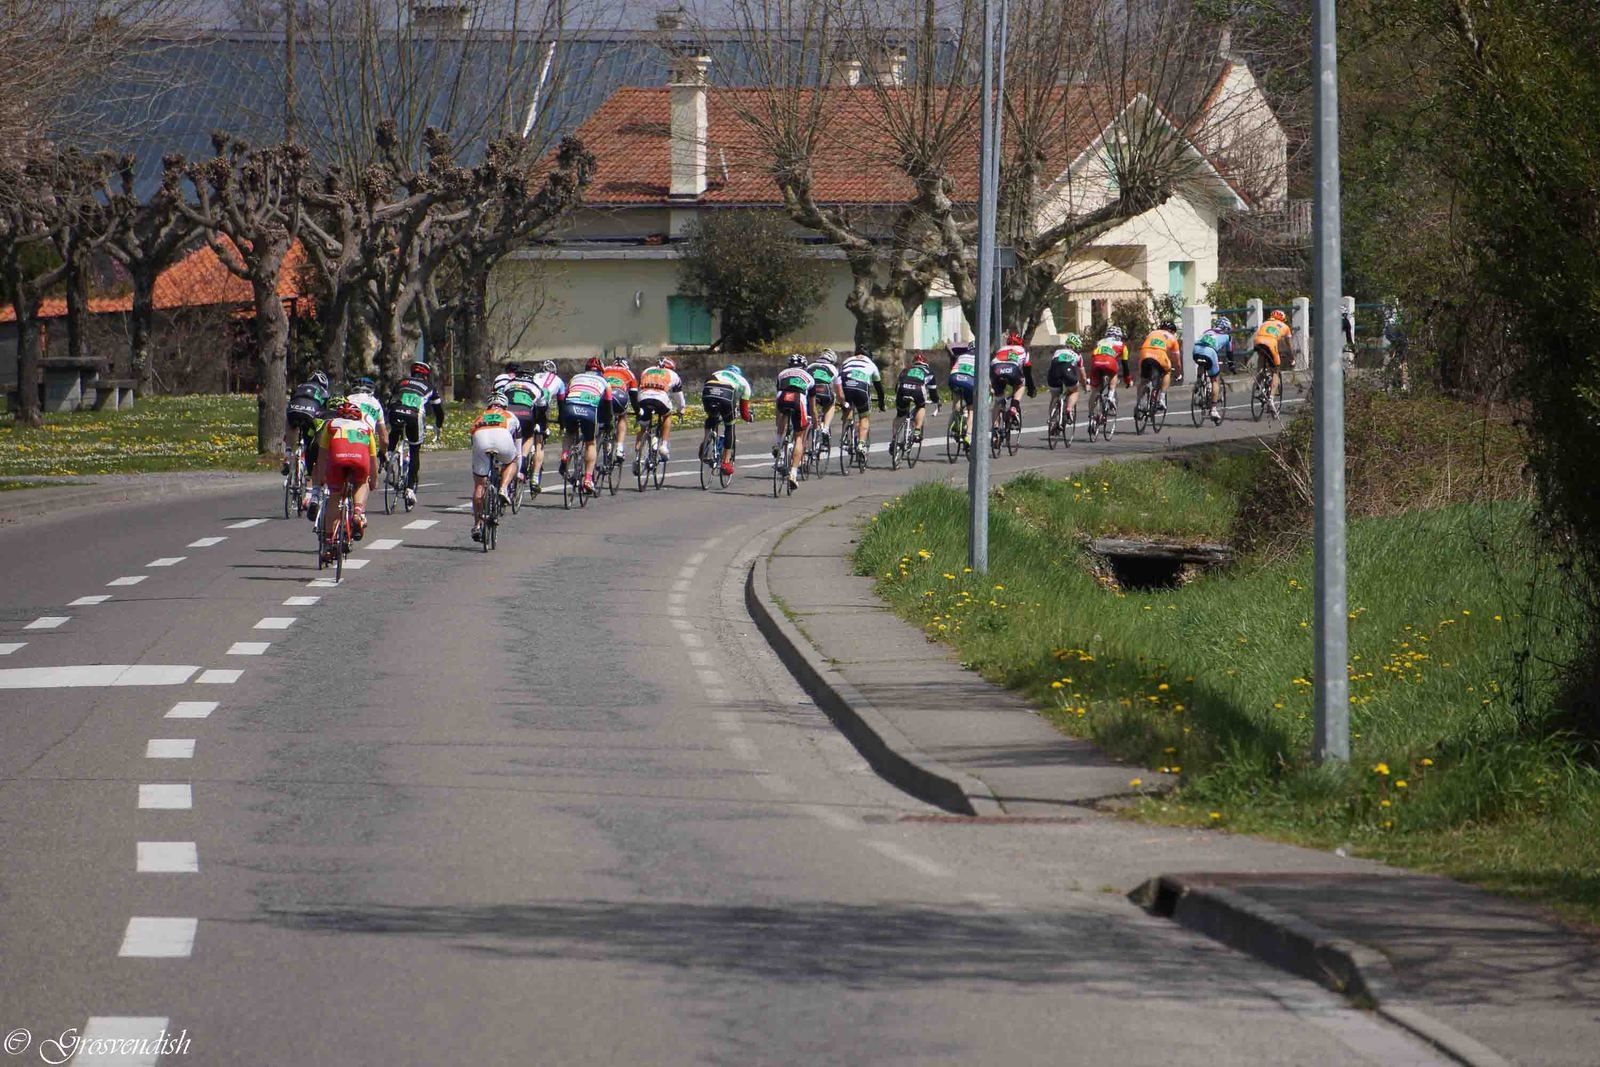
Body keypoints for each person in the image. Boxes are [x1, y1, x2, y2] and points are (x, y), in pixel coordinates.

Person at [313, 397, 379, 554]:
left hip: (337, 460)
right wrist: (373, 481)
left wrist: (321, 477)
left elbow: (322, 456)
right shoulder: (366, 428)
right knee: (362, 482)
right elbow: (373, 461)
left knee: (335, 496)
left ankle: (329, 541)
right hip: (360, 461)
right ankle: (357, 512)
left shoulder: (331, 425)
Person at [385, 362, 445, 507]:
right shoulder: (430, 387)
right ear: (426, 376)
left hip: (395, 411)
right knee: (414, 450)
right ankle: (410, 490)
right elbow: (439, 411)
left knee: (396, 430)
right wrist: (438, 426)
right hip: (414, 415)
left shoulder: (402, 382)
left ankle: (388, 455)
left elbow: (390, 400)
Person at [469, 391, 521, 543]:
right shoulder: (510, 415)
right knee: (512, 461)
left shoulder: (480, 416)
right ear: (505, 405)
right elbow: (518, 448)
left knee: (479, 485)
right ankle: (503, 488)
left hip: (481, 438)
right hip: (502, 437)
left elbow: (473, 442)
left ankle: (477, 525)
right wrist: (518, 469)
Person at [561, 357, 614, 494]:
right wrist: (608, 424)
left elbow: (565, 396)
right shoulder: (605, 382)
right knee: (591, 442)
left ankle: (565, 455)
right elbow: (608, 405)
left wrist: (562, 418)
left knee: (569, 433)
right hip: (588, 410)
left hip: (571, 406)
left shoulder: (575, 377)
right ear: (601, 370)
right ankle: (588, 479)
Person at [701, 363, 753, 476]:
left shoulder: (717, 373)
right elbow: (744, 413)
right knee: (730, 425)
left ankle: (705, 443)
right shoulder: (744, 383)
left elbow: (706, 385)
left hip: (709, 390)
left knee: (712, 416)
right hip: (726, 394)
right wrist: (749, 417)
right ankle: (726, 462)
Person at [634, 356, 686, 469]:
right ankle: (664, 446)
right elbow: (679, 397)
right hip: (660, 399)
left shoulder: (646, 371)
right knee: (667, 415)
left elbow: (639, 387)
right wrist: (681, 409)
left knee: (643, 428)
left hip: (643, 398)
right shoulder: (673, 374)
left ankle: (638, 457)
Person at [773, 354, 814, 489]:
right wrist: (814, 419)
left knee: (782, 414)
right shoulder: (809, 377)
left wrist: (777, 420)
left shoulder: (782, 373)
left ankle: (778, 444)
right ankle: (793, 473)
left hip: (783, 397)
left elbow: (778, 394)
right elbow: (812, 405)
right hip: (798, 399)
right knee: (799, 437)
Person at [526, 360, 566, 494]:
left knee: (525, 435)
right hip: (541, 407)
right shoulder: (559, 381)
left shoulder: (535, 376)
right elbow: (561, 405)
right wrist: (562, 423)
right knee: (539, 443)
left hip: (527, 404)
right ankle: (535, 478)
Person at [500, 368, 545, 486]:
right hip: (525, 414)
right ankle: (522, 461)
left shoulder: (508, 384)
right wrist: (542, 426)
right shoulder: (536, 387)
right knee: (529, 437)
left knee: (508, 435)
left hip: (508, 414)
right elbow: (542, 410)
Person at [839, 351, 885, 460]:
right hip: (861, 388)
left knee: (848, 409)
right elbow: (879, 388)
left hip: (845, 386)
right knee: (864, 417)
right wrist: (881, 403)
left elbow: (838, 377)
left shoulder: (847, 361)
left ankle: (845, 436)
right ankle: (861, 444)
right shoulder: (871, 364)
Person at [284, 369, 330, 474]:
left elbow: (291, 399)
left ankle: (288, 452)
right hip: (310, 414)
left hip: (294, 409)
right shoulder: (324, 392)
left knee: (290, 422)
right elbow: (324, 412)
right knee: (313, 432)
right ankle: (307, 454)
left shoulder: (300, 386)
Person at [1191, 317, 1234, 424]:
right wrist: (1231, 365)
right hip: (1210, 352)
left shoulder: (1207, 331)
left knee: (1201, 363)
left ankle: (1199, 382)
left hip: (1196, 350)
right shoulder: (1227, 336)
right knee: (1215, 380)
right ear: (1226, 328)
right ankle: (1213, 410)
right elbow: (1229, 353)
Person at [894, 353, 941, 446]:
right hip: (918, 389)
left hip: (903, 388)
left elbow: (897, 387)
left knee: (900, 415)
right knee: (921, 406)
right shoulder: (929, 372)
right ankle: (917, 431)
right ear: (926, 363)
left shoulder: (906, 369)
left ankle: (894, 441)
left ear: (914, 363)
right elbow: (933, 393)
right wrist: (936, 401)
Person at [1252, 308, 1295, 412]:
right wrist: (1292, 358)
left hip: (1258, 342)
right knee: (1275, 371)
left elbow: (1258, 334)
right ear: (1283, 319)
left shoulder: (1264, 323)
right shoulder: (1285, 327)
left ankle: (1258, 385)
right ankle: (1271, 399)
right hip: (1271, 344)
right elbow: (1289, 346)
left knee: (1262, 360)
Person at [1138, 320, 1181, 413]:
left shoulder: (1152, 333)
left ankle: (1139, 403)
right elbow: (1177, 361)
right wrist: (1178, 374)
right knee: (1167, 371)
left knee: (1143, 380)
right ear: (1172, 331)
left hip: (1144, 354)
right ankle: (1161, 398)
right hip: (1160, 355)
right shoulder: (1172, 338)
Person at [602, 357, 638, 464]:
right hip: (618, 396)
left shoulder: (605, 369)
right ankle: (619, 448)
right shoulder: (628, 373)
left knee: (602, 417)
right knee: (622, 416)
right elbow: (633, 396)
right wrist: (638, 411)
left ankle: (603, 439)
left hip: (604, 395)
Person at [806, 349, 844, 452]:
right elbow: (838, 389)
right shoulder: (834, 369)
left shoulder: (810, 366)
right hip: (824, 391)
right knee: (831, 403)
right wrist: (843, 402)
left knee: (809, 413)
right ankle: (825, 428)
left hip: (811, 391)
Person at [990, 340, 1034, 425]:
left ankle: (995, 428)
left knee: (998, 399)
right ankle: (1014, 407)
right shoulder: (1023, 350)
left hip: (996, 368)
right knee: (1021, 385)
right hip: (1012, 369)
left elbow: (992, 365)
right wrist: (1031, 388)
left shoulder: (1002, 348)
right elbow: (1027, 372)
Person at [1047, 334, 1085, 432]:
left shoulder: (1057, 352)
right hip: (1068, 373)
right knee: (1075, 391)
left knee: (1054, 396)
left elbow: (1052, 364)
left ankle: (1052, 419)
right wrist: (1085, 385)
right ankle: (1069, 408)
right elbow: (1082, 373)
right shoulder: (1078, 355)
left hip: (1054, 373)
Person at [346, 375, 390, 457]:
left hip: (343, 439)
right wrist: (383, 454)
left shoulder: (347, 400)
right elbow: (384, 440)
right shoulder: (376, 404)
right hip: (364, 442)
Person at [1089, 326, 1129, 412]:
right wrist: (1127, 380)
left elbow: (1093, 355)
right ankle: (1111, 395)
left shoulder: (1099, 342)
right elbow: (1125, 365)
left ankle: (1091, 414)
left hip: (1096, 362)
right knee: (1114, 374)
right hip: (1110, 362)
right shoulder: (1122, 345)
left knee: (1095, 390)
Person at [946, 344, 976, 446]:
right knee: (971, 409)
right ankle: (968, 435)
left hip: (954, 378)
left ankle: (957, 421)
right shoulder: (980, 358)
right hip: (969, 381)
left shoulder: (962, 355)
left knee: (956, 398)